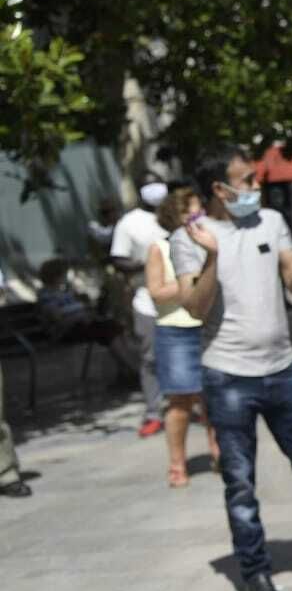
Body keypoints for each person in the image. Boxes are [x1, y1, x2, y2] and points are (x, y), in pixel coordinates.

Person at [171, 147, 292, 591]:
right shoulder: (190, 237)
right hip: (227, 375)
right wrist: (211, 257)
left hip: (282, 369)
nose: (256, 186)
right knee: (240, 483)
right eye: (246, 180)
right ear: (219, 189)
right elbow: (194, 308)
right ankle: (255, 571)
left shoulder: (270, 221)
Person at [146, 186, 220, 487]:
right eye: (193, 208)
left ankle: (220, 453)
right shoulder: (160, 248)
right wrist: (190, 283)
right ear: (177, 214)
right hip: (175, 331)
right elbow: (156, 292)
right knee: (180, 401)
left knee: (214, 398)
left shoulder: (208, 244)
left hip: (207, 327)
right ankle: (177, 464)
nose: (199, 213)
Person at [110, 176, 171, 437]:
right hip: (148, 302)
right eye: (148, 183)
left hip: (183, 298)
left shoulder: (175, 214)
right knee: (151, 358)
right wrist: (148, 264)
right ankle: (154, 411)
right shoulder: (129, 223)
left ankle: (192, 403)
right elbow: (118, 259)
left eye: (158, 182)